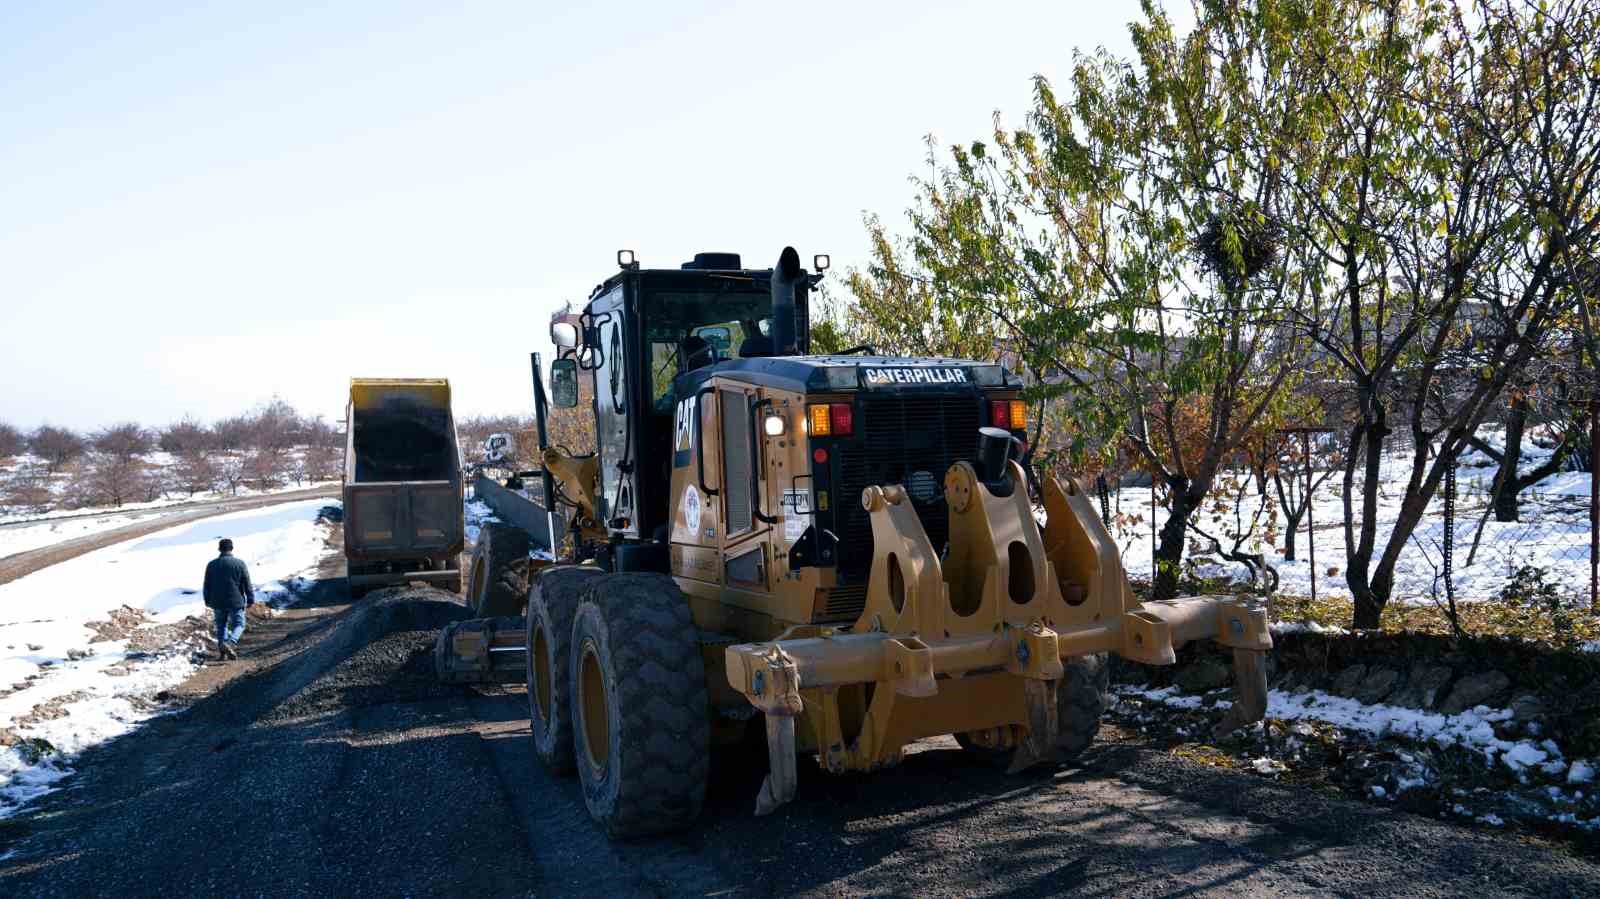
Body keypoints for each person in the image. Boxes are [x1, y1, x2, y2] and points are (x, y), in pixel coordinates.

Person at [203, 538, 253, 660]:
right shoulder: (240, 564)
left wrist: (207, 599)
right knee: (240, 624)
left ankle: (222, 653)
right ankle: (230, 643)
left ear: (220, 549)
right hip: (235, 601)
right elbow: (247, 583)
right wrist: (250, 598)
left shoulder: (211, 564)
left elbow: (207, 584)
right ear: (232, 548)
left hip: (217, 601)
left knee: (221, 625)